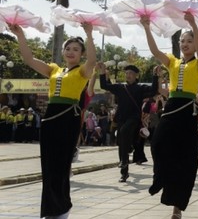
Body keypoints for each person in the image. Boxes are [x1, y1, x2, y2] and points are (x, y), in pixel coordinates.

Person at [10, 22, 96, 219]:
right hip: (50, 117)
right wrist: (20, 34)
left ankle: (62, 209)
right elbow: (29, 59)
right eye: (68, 48)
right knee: (48, 166)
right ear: (63, 51)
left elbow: (92, 60)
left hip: (68, 117)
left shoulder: (82, 72)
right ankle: (50, 210)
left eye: (76, 49)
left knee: (61, 165)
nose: (70, 52)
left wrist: (89, 34)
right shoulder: (54, 69)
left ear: (81, 53)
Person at [141, 12, 198, 219]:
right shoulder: (172, 61)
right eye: (182, 41)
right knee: (158, 144)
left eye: (190, 41)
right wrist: (146, 27)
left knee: (185, 158)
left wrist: (193, 24)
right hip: (171, 107)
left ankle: (177, 206)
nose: (186, 44)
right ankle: (160, 177)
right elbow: (154, 50)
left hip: (187, 110)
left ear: (195, 44)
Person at [98, 62, 159, 182]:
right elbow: (104, 85)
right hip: (121, 117)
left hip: (134, 118)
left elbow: (153, 91)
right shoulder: (120, 87)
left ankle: (127, 154)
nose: (128, 75)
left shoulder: (140, 88)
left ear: (136, 75)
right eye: (126, 73)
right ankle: (124, 171)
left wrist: (155, 76)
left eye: (131, 73)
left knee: (124, 131)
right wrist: (102, 72)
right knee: (121, 142)